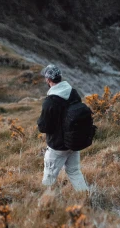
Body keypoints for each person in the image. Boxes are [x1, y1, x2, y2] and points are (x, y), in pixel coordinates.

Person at [37, 64, 89, 192]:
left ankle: (46, 203)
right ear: (60, 77)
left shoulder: (50, 101)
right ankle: (85, 197)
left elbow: (43, 127)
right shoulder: (73, 92)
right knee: (74, 171)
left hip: (57, 146)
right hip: (74, 142)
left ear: (48, 80)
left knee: (49, 177)